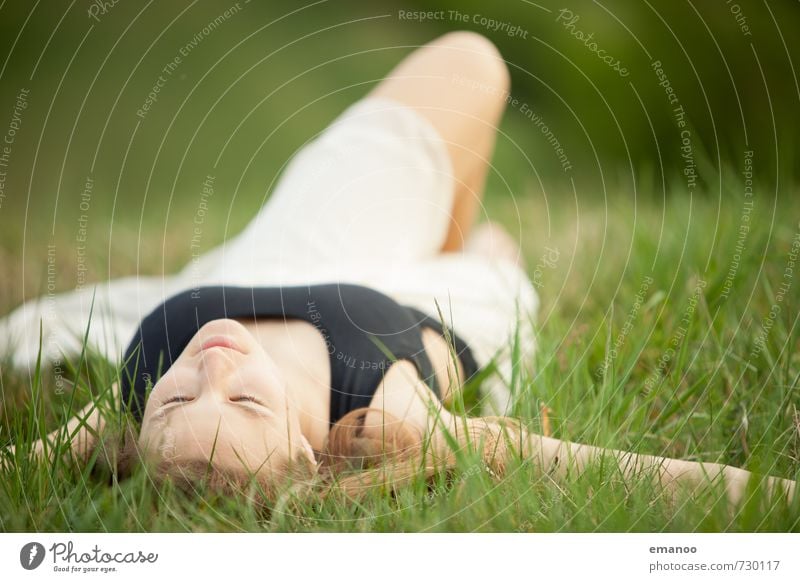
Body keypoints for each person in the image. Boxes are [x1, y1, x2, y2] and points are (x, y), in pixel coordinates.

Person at [2, 32, 795, 509]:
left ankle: (436, 230)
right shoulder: (385, 412)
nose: (213, 361)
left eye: (180, 394)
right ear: (309, 457)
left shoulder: (147, 377)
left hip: (286, 249)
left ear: (140, 428)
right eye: (242, 399)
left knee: (468, 62)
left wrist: (164, 398)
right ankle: (455, 251)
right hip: (420, 303)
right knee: (496, 241)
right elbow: (598, 466)